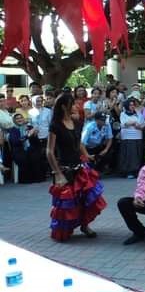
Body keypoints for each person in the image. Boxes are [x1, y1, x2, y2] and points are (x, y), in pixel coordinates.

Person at [46, 93, 107, 241]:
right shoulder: (56, 125)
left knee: (85, 198)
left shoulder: (77, 122)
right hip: (64, 169)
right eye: (72, 104)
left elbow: (78, 142)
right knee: (66, 203)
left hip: (79, 166)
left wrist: (87, 154)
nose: (76, 106)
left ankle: (85, 226)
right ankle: (63, 229)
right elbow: (49, 151)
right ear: (63, 106)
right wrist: (58, 173)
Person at [8, 113, 45, 183]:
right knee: (24, 158)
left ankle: (38, 178)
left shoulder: (29, 127)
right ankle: (26, 179)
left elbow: (36, 142)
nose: (19, 119)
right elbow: (16, 142)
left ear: (23, 119)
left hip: (30, 148)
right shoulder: (13, 130)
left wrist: (34, 135)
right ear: (14, 120)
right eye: (17, 118)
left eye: (21, 118)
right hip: (19, 150)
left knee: (36, 156)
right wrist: (27, 136)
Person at [119, 98, 145, 178]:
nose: (132, 106)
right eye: (130, 105)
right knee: (129, 155)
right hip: (127, 137)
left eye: (133, 105)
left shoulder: (139, 114)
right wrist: (134, 122)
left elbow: (143, 125)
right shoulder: (123, 114)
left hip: (138, 136)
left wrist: (139, 126)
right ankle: (128, 171)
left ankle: (136, 171)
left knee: (137, 155)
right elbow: (124, 123)